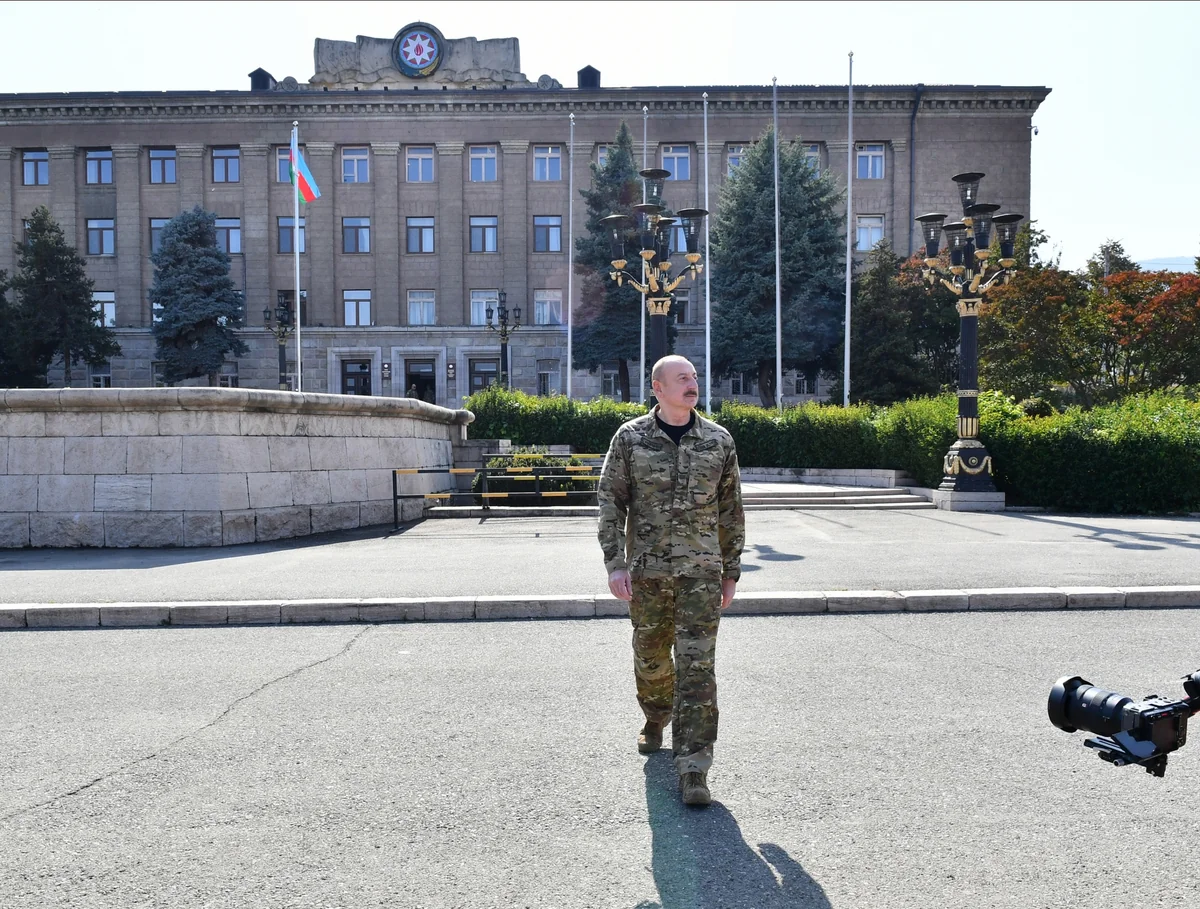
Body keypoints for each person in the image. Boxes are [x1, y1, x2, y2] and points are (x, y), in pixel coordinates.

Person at [597, 355, 745, 806]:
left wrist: (731, 570)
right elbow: (610, 500)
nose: (692, 383)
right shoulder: (631, 437)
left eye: (695, 377)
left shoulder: (719, 441)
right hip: (647, 574)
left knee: (698, 668)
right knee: (651, 658)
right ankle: (656, 716)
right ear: (658, 388)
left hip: (700, 575)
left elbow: (730, 509)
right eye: (682, 378)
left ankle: (694, 767)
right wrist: (615, 563)